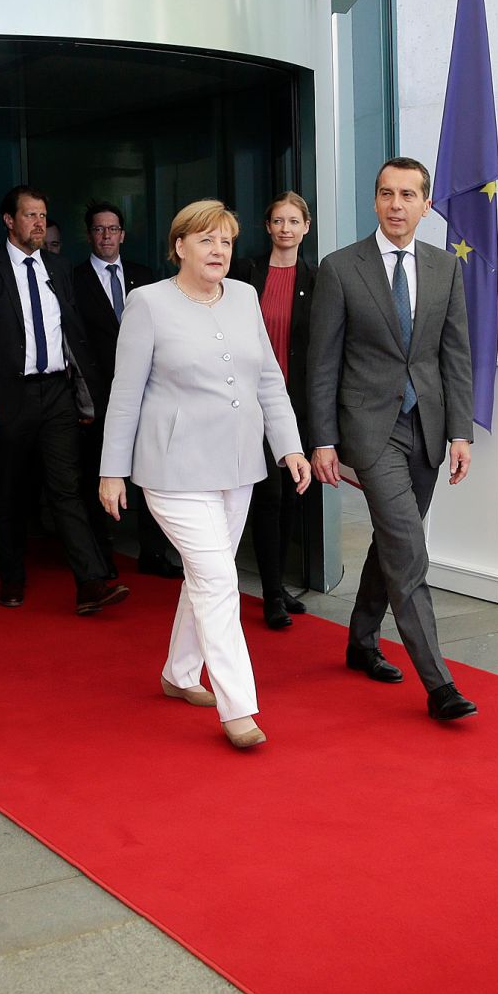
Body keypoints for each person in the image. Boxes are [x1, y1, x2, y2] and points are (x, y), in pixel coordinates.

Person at [100, 200, 308, 749]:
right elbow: (124, 395)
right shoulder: (146, 303)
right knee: (219, 579)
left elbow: (268, 379)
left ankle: (178, 673)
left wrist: (289, 447)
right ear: (180, 247)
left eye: (226, 242)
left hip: (239, 466)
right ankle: (239, 707)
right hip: (173, 470)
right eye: (206, 241)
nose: (219, 251)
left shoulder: (243, 296)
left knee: (204, 576)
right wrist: (112, 471)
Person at [307, 157, 478, 722]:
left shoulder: (443, 268)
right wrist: (324, 440)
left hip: (426, 425)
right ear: (375, 201)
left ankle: (360, 638)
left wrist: (460, 430)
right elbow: (323, 364)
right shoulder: (339, 268)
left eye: (408, 195)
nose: (396, 204)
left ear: (426, 204)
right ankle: (440, 685)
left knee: (391, 537)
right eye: (386, 193)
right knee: (408, 546)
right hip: (369, 428)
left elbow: (454, 354)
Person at [0, 185, 128, 614]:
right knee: (11, 488)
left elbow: (73, 333)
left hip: (56, 394)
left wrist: (85, 393)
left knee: (66, 488)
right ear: (9, 221)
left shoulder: (59, 267)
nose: (38, 223)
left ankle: (90, 582)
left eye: (42, 216)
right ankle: (11, 577)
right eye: (30, 216)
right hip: (8, 394)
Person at [71, 201, 179, 578]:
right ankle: (102, 556)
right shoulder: (74, 280)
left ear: (122, 234)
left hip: (148, 392)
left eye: (113, 229)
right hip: (99, 396)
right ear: (89, 235)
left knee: (150, 470)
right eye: (99, 229)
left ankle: (154, 553)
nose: (106, 236)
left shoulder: (144, 276)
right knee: (101, 474)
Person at [231, 192, 316, 629]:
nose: (285, 228)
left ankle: (278, 584)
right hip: (251, 404)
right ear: (267, 227)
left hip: (296, 406)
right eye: (277, 221)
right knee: (269, 498)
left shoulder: (316, 278)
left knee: (292, 501)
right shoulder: (245, 273)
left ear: (306, 227)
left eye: (293, 221)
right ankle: (270, 595)